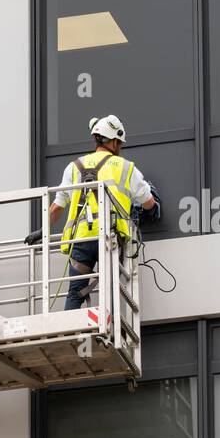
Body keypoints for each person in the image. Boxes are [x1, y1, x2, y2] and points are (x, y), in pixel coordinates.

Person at [38, 115, 158, 310]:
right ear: (113, 140)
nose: (120, 146)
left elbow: (57, 206)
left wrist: (42, 229)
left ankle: (72, 334)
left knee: (75, 292)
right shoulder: (125, 167)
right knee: (109, 289)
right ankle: (109, 332)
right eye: (119, 142)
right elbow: (148, 203)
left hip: (82, 239)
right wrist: (153, 206)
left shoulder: (74, 167)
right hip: (109, 239)